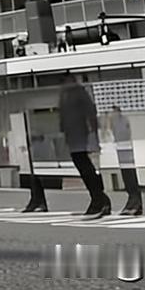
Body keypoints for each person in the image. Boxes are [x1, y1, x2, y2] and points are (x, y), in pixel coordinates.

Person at [58, 74, 111, 218]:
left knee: (86, 166)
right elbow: (63, 115)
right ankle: (100, 198)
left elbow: (90, 111)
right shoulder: (65, 94)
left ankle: (98, 198)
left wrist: (93, 132)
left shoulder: (79, 92)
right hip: (73, 134)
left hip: (82, 133)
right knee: (83, 166)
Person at [106, 105, 143, 216]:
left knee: (129, 174)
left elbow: (123, 134)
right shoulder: (116, 121)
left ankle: (135, 201)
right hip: (122, 148)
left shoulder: (121, 120)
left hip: (126, 148)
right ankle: (134, 202)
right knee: (127, 174)